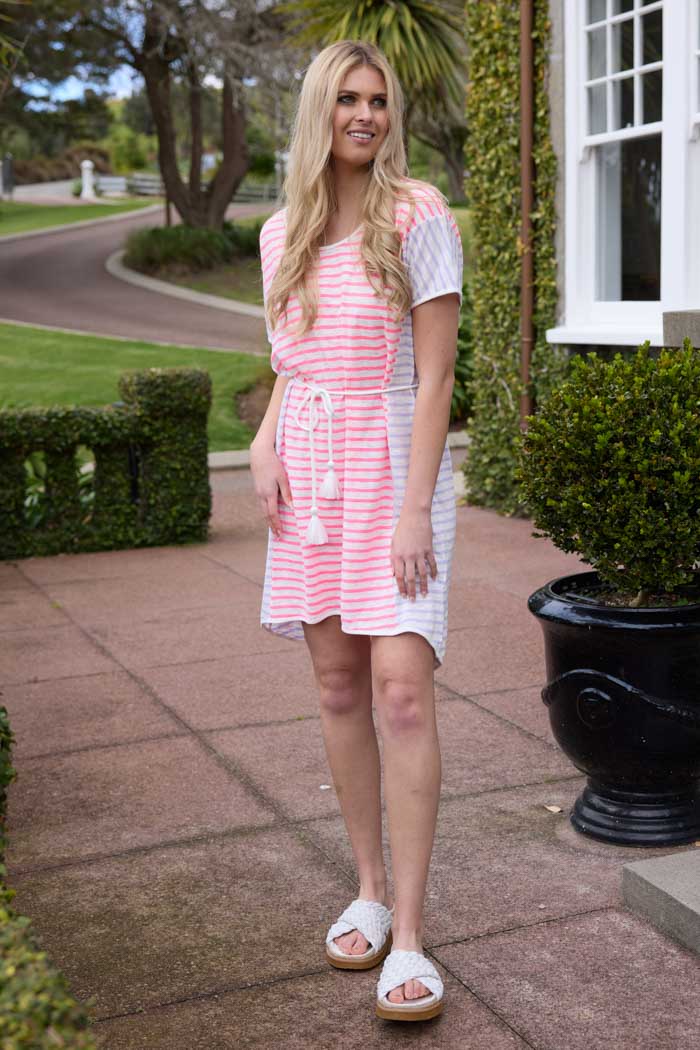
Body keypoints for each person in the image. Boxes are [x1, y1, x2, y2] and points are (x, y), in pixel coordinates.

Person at [250, 39, 463, 1023]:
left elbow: (435, 378)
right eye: (347, 97)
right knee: (337, 685)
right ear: (317, 110)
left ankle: (411, 938)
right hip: (311, 476)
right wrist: (261, 439)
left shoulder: (416, 213)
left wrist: (416, 504)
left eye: (378, 99)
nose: (365, 114)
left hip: (393, 470)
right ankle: (368, 892)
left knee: (402, 695)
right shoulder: (281, 231)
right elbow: (298, 360)